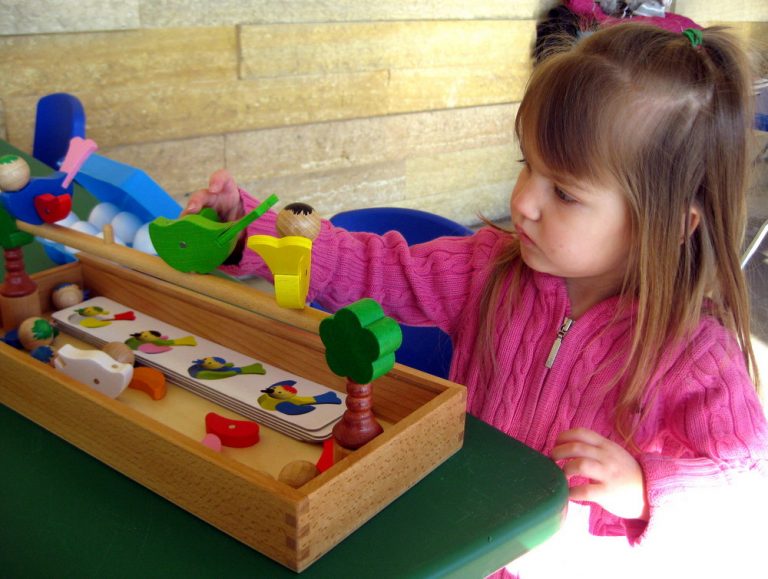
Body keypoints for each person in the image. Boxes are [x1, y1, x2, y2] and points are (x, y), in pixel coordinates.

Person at [184, 23, 768, 578]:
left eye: (563, 191)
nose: (524, 203)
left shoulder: (695, 355)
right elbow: (373, 268)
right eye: (527, 167)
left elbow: (741, 475)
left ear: (667, 224)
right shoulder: (488, 268)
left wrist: (645, 485)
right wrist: (249, 231)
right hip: (459, 542)